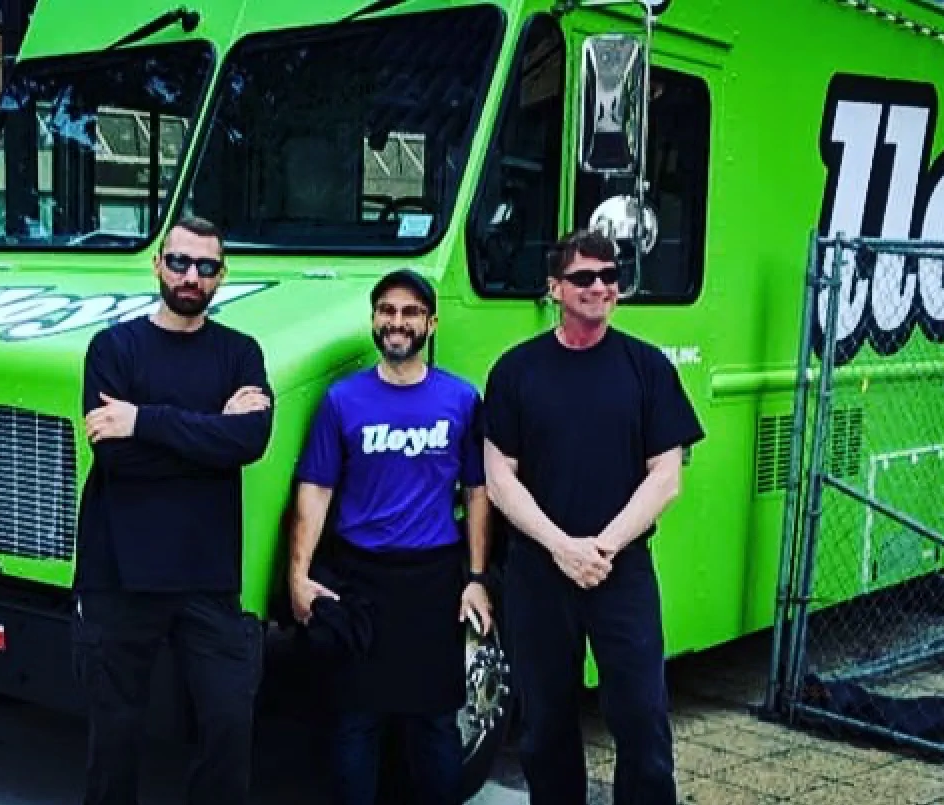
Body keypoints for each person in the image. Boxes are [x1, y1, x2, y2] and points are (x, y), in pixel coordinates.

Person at [481, 230, 705, 805]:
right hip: (538, 573)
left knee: (642, 719)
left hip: (620, 572)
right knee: (544, 726)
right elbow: (499, 479)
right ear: (554, 288)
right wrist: (562, 546)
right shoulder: (516, 370)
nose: (600, 287)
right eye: (584, 277)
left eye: (610, 276)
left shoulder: (647, 367)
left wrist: (601, 547)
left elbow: (666, 476)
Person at [74, 216, 274, 805]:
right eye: (180, 262)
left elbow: (250, 442)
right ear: (157, 264)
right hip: (120, 576)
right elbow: (117, 459)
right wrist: (212, 435)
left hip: (207, 579)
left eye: (206, 267)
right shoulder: (114, 348)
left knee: (229, 727)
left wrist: (143, 420)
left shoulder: (240, 352)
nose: (191, 276)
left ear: (222, 275)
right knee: (114, 740)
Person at [288, 268, 492, 805]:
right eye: (387, 311)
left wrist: (476, 578)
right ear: (374, 319)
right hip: (358, 579)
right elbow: (316, 489)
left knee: (434, 724)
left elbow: (477, 492)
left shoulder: (461, 399)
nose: (397, 322)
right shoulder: (342, 400)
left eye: (410, 313)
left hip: (432, 580)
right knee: (355, 722)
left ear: (431, 323)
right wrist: (299, 576)